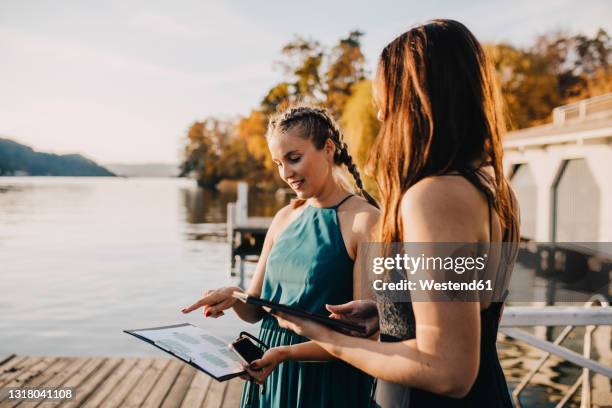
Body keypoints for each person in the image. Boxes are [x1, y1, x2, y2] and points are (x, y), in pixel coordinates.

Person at [272, 19, 520, 407]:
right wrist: (386, 313)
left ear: (414, 101)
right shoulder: (493, 189)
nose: (380, 115)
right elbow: (471, 308)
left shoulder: (432, 196)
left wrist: (330, 340)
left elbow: (449, 370)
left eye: (384, 102)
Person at [181, 105, 379, 407]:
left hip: (327, 383)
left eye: (294, 158)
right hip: (269, 371)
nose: (285, 174)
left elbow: (365, 337)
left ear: (328, 148)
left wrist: (287, 354)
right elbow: (256, 310)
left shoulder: (366, 221)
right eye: (278, 163)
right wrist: (235, 296)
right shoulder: (284, 218)